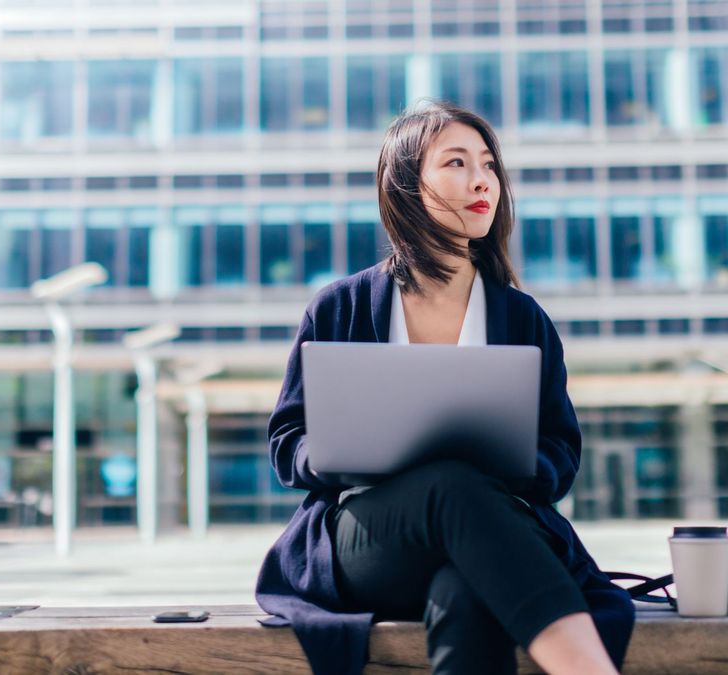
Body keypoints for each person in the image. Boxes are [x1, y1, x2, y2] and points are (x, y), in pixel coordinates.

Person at [255, 100, 635, 675]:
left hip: (490, 528)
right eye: (456, 164)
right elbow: (289, 442)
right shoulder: (341, 306)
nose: (481, 180)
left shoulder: (522, 317)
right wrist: (335, 451)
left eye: (488, 165)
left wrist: (514, 463)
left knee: (465, 589)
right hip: (370, 539)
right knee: (448, 485)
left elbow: (561, 449)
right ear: (406, 184)